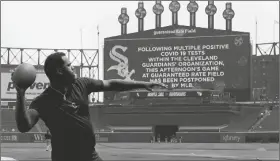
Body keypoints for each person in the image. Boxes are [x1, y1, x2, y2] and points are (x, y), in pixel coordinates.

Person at [12, 52, 166, 161]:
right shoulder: (43, 101)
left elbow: (111, 84)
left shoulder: (82, 84)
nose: (73, 67)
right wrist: (20, 93)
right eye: (69, 65)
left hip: (90, 156)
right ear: (59, 71)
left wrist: (142, 84)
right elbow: (24, 126)